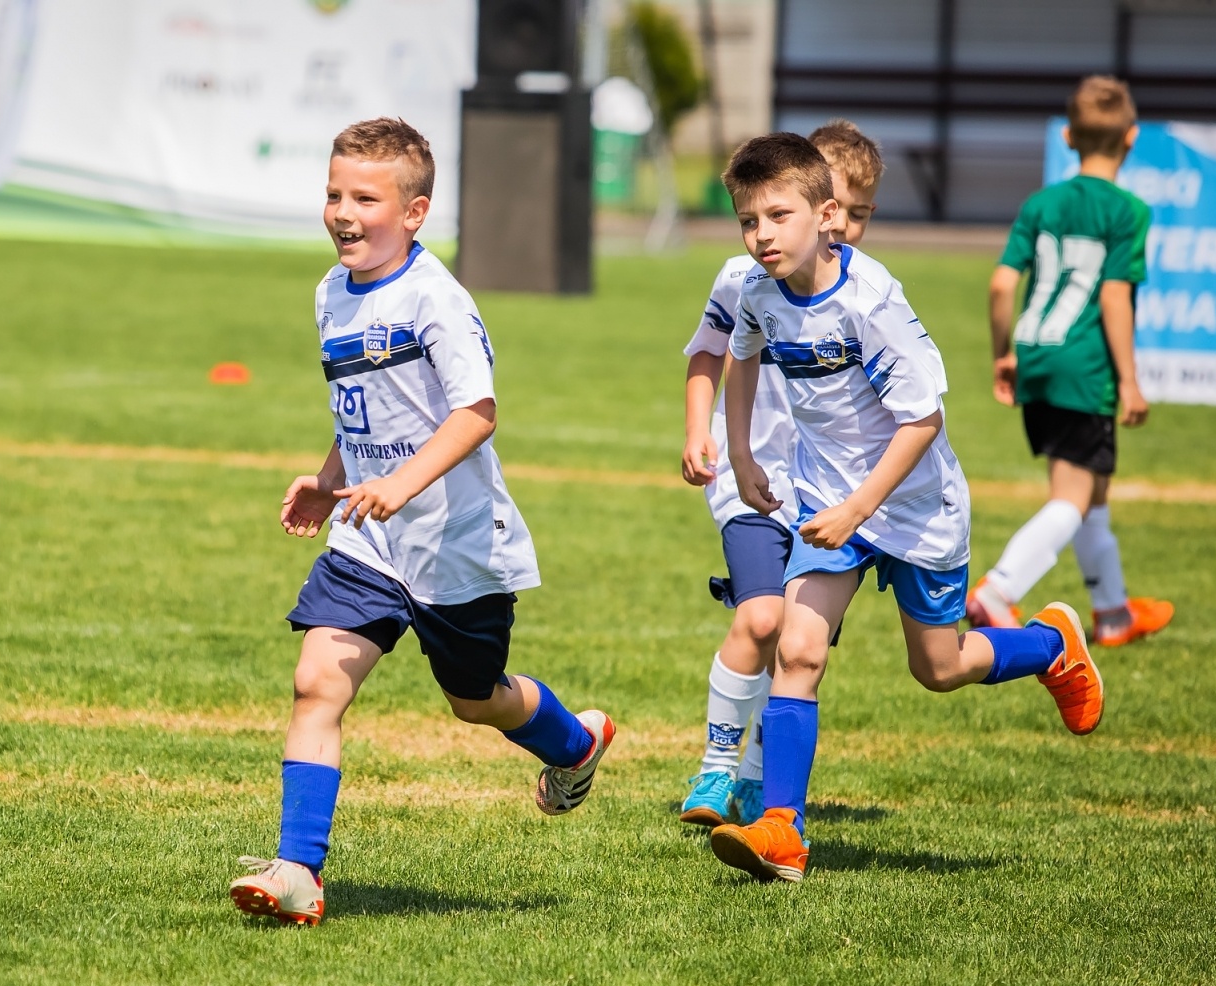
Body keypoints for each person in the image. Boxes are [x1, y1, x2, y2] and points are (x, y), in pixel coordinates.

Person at [229, 118, 614, 925]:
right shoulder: (331, 292)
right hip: (367, 536)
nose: (343, 213)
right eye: (334, 194)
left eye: (364, 199)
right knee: (317, 681)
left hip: (454, 539)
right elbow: (363, 404)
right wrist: (330, 479)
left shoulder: (436, 298)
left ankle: (575, 746)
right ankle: (299, 869)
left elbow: (476, 412)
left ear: (414, 212)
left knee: (476, 699)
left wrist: (401, 484)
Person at [708, 132, 1105, 884]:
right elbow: (742, 356)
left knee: (940, 666)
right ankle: (782, 831)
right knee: (799, 649)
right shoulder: (757, 291)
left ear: (827, 215)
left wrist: (859, 510)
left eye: (778, 216)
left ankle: (1050, 645)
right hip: (830, 503)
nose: (761, 235)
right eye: (748, 221)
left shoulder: (872, 303)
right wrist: (743, 455)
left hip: (917, 507)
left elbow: (921, 421)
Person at [677, 121, 885, 828]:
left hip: (828, 492)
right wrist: (700, 432)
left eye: (859, 213)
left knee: (800, 642)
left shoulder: (863, 294)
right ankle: (715, 770)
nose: (844, 225)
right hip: (754, 479)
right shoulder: (745, 276)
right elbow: (709, 353)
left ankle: (757, 784)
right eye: (837, 208)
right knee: (761, 615)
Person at [966, 75, 1174, 647]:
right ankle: (997, 590)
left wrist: (1003, 353)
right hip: (1085, 367)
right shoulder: (1128, 210)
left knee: (1092, 493)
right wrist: (1129, 381)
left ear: (1068, 137)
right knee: (1072, 499)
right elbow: (1114, 297)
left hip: (1038, 355)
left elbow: (1002, 285)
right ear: (1131, 137)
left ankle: (1113, 613)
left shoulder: (1041, 203)